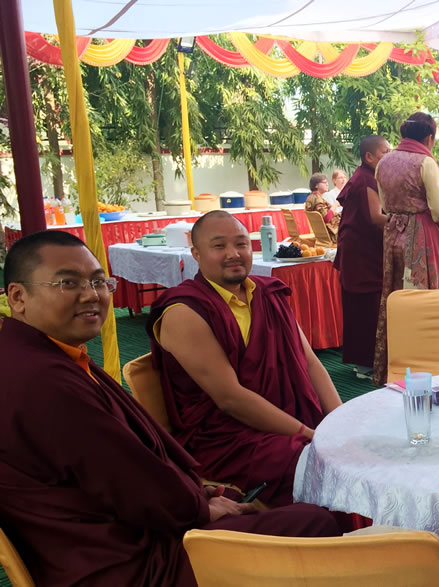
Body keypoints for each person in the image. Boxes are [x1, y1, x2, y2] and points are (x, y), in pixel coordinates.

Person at [0, 231, 352, 587]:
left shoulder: (42, 358)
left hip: (119, 531)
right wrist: (199, 507)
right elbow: (126, 478)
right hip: (124, 563)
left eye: (98, 281)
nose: (91, 294)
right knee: (313, 521)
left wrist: (196, 491)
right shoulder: (41, 381)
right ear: (18, 296)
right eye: (67, 283)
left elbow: (120, 466)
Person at [147, 211, 342, 507]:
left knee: (359, 447)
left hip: (290, 420)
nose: (233, 254)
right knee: (317, 464)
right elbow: (230, 398)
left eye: (241, 244)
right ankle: (330, 543)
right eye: (219, 246)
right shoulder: (184, 311)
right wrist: (310, 435)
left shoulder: (268, 293)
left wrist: (340, 421)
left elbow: (309, 361)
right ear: (196, 254)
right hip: (226, 438)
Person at [372, 112, 439, 385]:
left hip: (392, 234)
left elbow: (384, 205)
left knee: (394, 295)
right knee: (428, 296)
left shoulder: (384, 161)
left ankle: (395, 364)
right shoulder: (425, 162)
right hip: (421, 235)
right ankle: (432, 364)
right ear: (429, 137)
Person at [334, 135, 390, 377]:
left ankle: (366, 361)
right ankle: (366, 363)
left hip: (362, 250)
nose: (389, 157)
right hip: (360, 254)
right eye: (385, 153)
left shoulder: (368, 176)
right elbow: (376, 218)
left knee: (367, 305)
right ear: (369, 157)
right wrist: (407, 220)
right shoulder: (365, 179)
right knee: (366, 305)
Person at [304, 172, 339, 243]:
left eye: (327, 182)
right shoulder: (317, 199)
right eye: (324, 182)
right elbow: (327, 218)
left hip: (323, 235)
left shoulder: (311, 197)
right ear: (316, 185)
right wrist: (336, 204)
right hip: (333, 234)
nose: (327, 184)